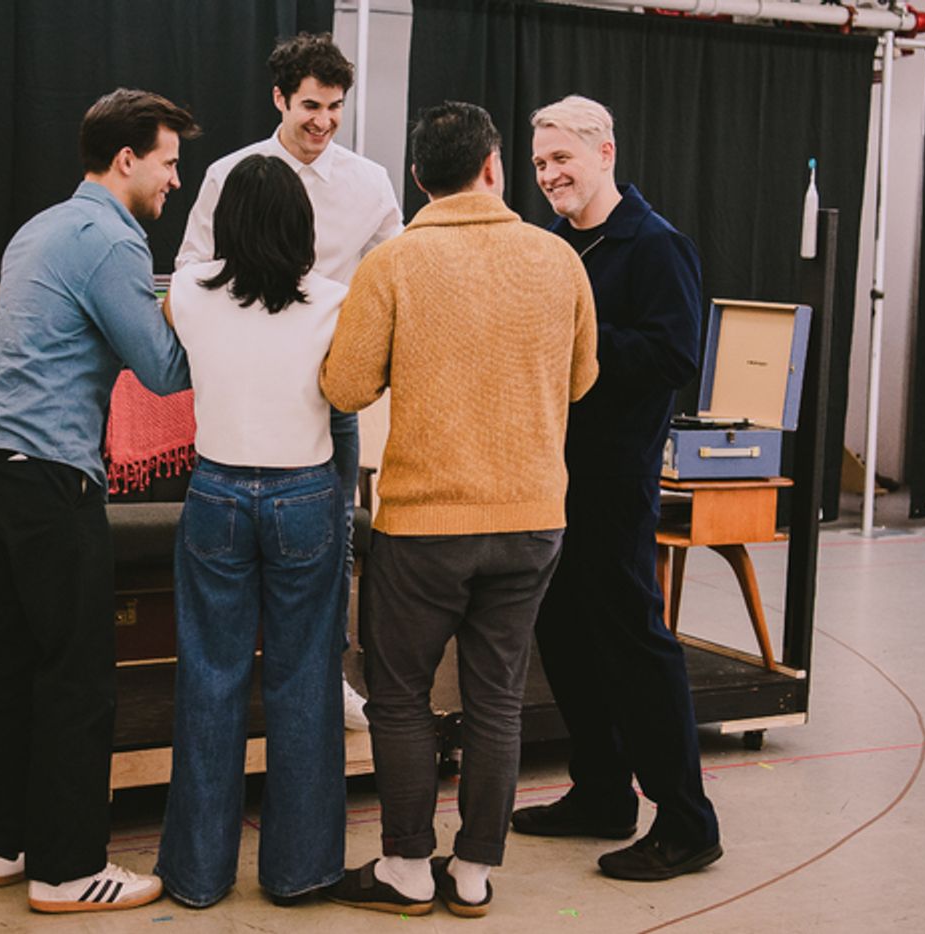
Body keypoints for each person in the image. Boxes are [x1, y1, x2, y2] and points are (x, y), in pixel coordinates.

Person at [321, 101, 598, 917]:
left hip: (425, 527)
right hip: (532, 520)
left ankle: (408, 868)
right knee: (497, 698)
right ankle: (474, 872)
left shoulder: (394, 264)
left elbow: (345, 387)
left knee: (401, 697)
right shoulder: (559, 260)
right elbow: (583, 379)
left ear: (418, 180)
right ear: (494, 167)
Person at [0, 88, 198, 914]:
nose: (175, 179)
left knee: (17, 661)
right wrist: (212, 310)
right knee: (80, 675)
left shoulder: (45, 224)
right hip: (48, 473)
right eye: (168, 161)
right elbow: (164, 370)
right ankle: (67, 869)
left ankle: (5, 841)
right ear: (127, 159)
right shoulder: (110, 241)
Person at [510, 94, 722, 881]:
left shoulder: (656, 246)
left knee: (635, 643)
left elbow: (674, 358)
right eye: (538, 164)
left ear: (605, 153)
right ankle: (601, 792)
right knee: (563, 633)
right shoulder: (554, 246)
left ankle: (689, 819)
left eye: (561, 158)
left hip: (613, 480)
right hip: (550, 474)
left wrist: (577, 344)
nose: (549, 175)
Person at [176, 32, 402, 731]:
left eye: (334, 108)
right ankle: (232, 681)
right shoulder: (229, 174)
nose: (322, 122)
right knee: (238, 561)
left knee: (332, 542)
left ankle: (325, 675)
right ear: (279, 97)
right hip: (246, 390)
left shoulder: (369, 182)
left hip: (329, 388)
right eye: (310, 105)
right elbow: (190, 271)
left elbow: (395, 278)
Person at [154, 154, 349, 908]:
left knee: (209, 678)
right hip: (305, 492)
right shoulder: (334, 298)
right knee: (304, 681)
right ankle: (299, 871)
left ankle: (198, 875)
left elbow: (174, 329)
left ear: (226, 222)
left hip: (217, 492)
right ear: (302, 226)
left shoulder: (189, 293)